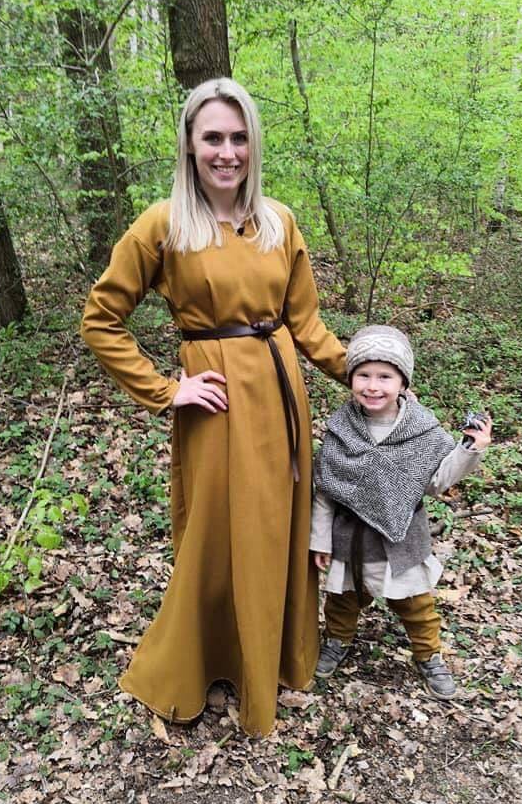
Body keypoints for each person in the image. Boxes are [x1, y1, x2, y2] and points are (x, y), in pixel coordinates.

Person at [81, 78, 346, 737]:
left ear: (253, 144)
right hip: (216, 404)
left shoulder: (278, 221)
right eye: (213, 138)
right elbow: (101, 318)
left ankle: (271, 659)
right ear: (190, 145)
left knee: (274, 530)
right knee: (218, 534)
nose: (227, 152)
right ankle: (203, 663)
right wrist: (166, 389)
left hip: (281, 400)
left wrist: (372, 374)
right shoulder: (164, 224)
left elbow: (307, 326)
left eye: (238, 137)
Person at [309, 325, 492, 700]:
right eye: (363, 375)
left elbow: (437, 481)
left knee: (416, 605)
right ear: (350, 379)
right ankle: (337, 641)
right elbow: (326, 490)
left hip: (402, 538)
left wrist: (469, 450)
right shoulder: (341, 428)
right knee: (343, 600)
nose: (372, 386)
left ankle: (429, 655)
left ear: (403, 383)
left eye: (384, 377)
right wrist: (320, 539)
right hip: (350, 537)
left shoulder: (422, 430)